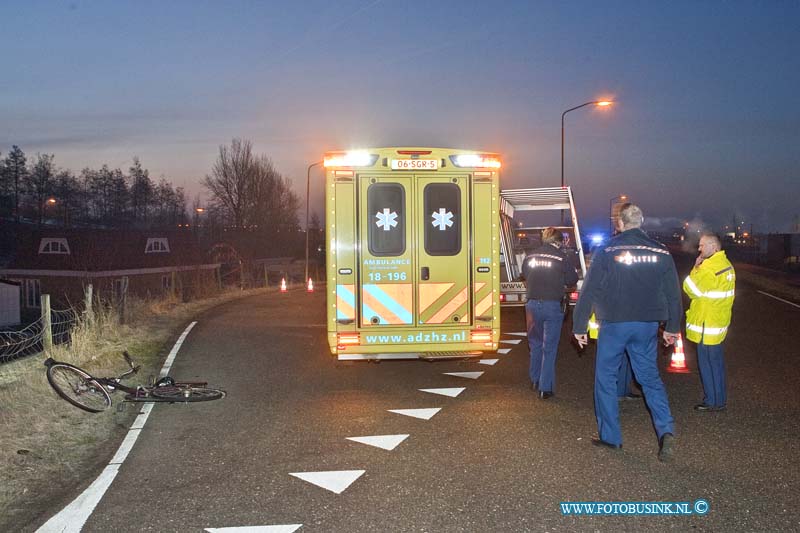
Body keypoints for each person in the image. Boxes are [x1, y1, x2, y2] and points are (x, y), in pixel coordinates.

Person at [573, 203, 683, 462]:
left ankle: (611, 437)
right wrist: (672, 328)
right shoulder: (661, 251)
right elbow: (673, 295)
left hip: (614, 323)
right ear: (641, 222)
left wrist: (579, 326)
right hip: (646, 324)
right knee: (650, 379)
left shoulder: (607, 249)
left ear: (619, 224)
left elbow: (589, 290)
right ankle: (665, 429)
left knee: (606, 378)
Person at [522, 227, 579, 399]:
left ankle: (534, 380)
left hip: (532, 305)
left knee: (535, 344)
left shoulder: (530, 256)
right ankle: (545, 388)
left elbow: (525, 274)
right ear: (558, 241)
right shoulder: (562, 257)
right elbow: (572, 280)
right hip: (552, 305)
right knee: (550, 348)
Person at [683, 232, 735, 412]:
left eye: (702, 245)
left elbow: (691, 289)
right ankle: (719, 399)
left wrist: (695, 269)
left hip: (707, 322)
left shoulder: (709, 267)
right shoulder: (726, 265)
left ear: (714, 247)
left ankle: (711, 400)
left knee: (707, 363)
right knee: (717, 363)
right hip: (718, 320)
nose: (699, 248)